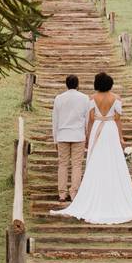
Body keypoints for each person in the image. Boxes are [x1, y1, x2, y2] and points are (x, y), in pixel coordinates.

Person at [50, 72, 132, 224]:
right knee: (112, 159)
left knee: (94, 160)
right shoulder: (116, 98)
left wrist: (88, 135)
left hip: (97, 129)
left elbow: (91, 119)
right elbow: (118, 120)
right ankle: (102, 191)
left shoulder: (92, 98)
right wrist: (121, 137)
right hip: (111, 129)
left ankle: (78, 192)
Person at [51, 74, 89, 202]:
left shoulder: (59, 98)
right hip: (78, 134)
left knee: (62, 164)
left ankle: (62, 193)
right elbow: (87, 119)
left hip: (62, 134)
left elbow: (55, 120)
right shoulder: (84, 98)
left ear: (66, 84)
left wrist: (55, 138)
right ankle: (74, 193)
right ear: (78, 84)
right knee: (77, 165)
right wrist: (87, 134)